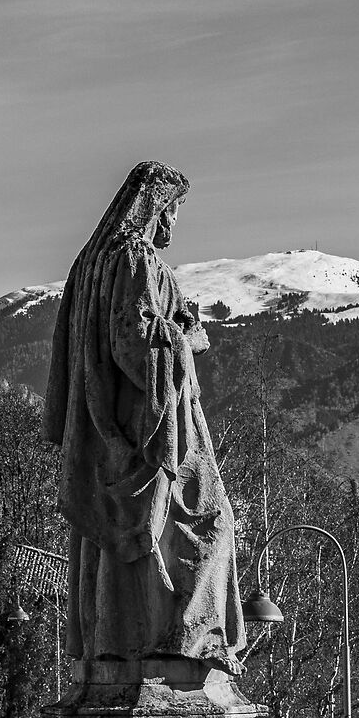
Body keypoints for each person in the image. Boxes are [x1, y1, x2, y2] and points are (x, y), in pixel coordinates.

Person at [44, 161, 244, 674]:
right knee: (213, 524)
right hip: (151, 423)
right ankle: (188, 643)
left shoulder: (88, 266)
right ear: (155, 207)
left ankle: (118, 640)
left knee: (115, 542)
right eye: (172, 209)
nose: (173, 223)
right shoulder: (136, 260)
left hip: (107, 428)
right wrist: (186, 334)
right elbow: (133, 343)